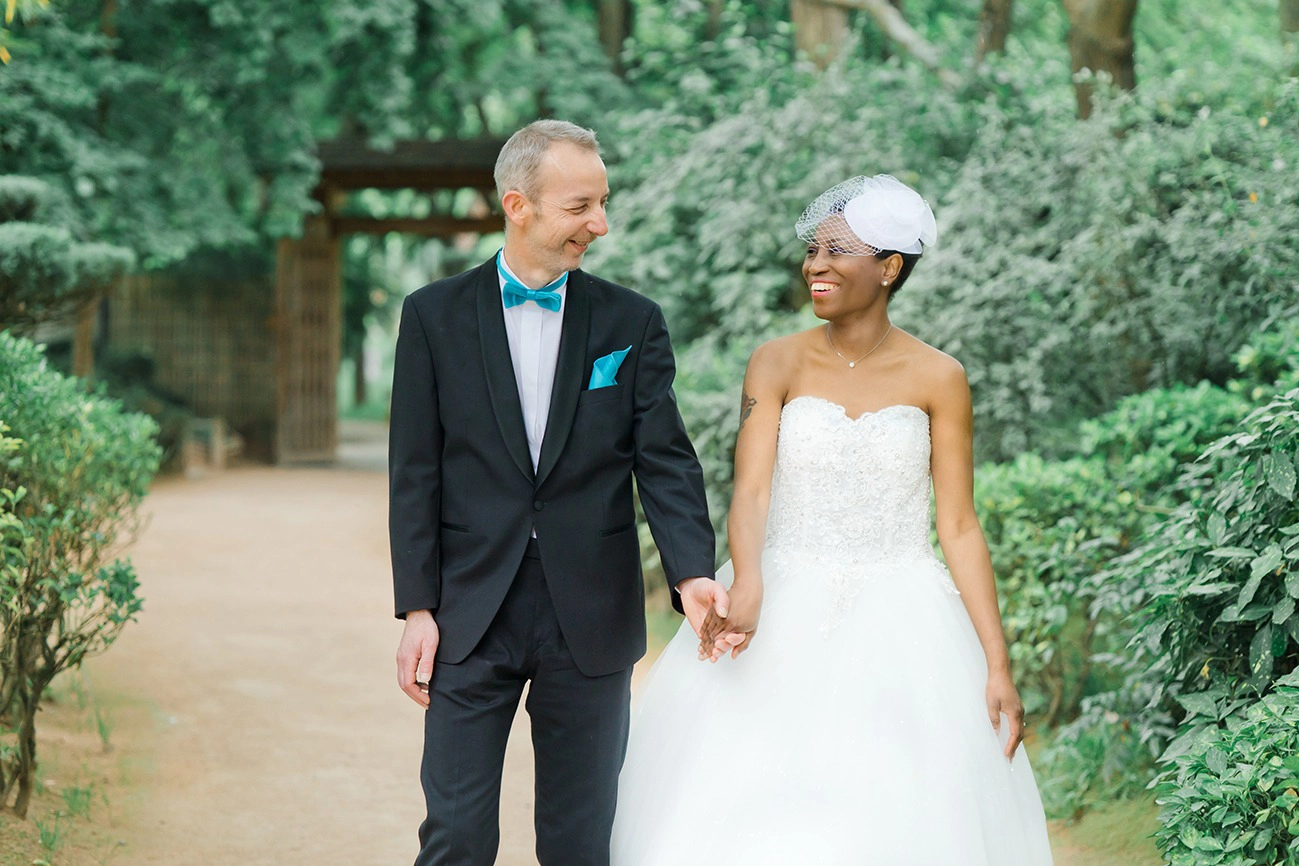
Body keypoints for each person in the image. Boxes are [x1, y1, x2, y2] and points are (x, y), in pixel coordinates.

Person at [610, 175, 1054, 864]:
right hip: (780, 596)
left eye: (835, 251)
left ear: (888, 268)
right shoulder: (775, 362)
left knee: (895, 809)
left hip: (904, 618)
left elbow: (959, 525)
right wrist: (749, 581)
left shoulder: (940, 377)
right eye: (812, 249)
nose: (814, 264)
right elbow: (751, 492)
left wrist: (997, 663)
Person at [388, 119, 722, 866]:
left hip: (592, 617)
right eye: (580, 207)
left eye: (602, 203)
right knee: (456, 834)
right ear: (519, 205)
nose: (598, 224)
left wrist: (691, 572)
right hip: (469, 611)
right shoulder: (431, 317)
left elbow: (663, 459)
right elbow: (415, 471)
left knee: (578, 841)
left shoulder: (631, 322)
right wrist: (417, 607)